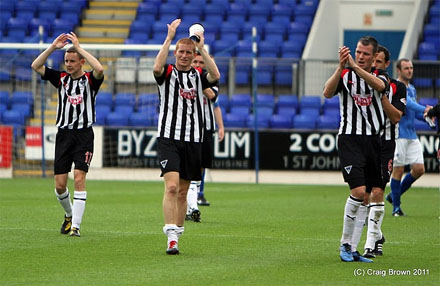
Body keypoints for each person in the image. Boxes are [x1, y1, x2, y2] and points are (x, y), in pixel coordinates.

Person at [153, 19, 220, 255]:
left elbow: (216, 74)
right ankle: (170, 236)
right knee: (171, 187)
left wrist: (201, 47)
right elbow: (156, 68)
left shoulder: (198, 76)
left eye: (188, 52)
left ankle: (177, 236)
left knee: (183, 191)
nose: (184, 56)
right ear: (175, 53)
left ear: (193, 55)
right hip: (168, 138)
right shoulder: (167, 73)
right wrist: (170, 37)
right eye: (180, 52)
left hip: (193, 140)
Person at [31, 33, 104, 237]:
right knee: (60, 186)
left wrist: (79, 48)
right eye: (66, 61)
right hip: (63, 135)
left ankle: (76, 227)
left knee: (79, 177)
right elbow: (35, 66)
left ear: (81, 62)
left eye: (72, 61)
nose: (69, 65)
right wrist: (53, 47)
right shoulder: (61, 79)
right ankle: (69, 215)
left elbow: (99, 69)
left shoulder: (90, 80)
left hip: (84, 136)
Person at [323, 36, 388, 263]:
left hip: (373, 141)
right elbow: (327, 93)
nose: (360, 57)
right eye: (358, 52)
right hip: (350, 139)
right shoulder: (345, 75)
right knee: (359, 192)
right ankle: (344, 244)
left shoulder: (380, 77)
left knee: (368, 196)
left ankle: (353, 248)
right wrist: (340, 68)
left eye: (365, 54)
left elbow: (380, 87)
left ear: (374, 57)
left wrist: (354, 67)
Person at [350, 45, 406, 259]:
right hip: (366, 141)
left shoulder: (397, 88)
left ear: (386, 65)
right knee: (363, 195)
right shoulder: (361, 84)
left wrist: (381, 97)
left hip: (386, 143)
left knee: (377, 191)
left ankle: (371, 245)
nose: (375, 67)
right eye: (373, 63)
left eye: (379, 63)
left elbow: (396, 117)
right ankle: (377, 234)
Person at [386, 59, 432, 216]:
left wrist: (427, 118)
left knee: (419, 169)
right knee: (398, 170)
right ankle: (396, 208)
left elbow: (414, 113)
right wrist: (427, 109)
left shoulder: (411, 88)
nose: (409, 71)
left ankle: (393, 195)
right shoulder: (397, 87)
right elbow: (409, 105)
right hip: (399, 134)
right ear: (398, 70)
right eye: (406, 68)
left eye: (411, 68)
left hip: (411, 134)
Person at [186, 52, 225, 222]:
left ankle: (193, 201)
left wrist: (221, 126)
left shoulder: (209, 80)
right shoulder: (183, 79)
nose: (198, 64)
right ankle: (192, 206)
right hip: (188, 129)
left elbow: (212, 97)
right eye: (195, 61)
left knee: (201, 167)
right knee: (189, 168)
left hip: (206, 129)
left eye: (202, 62)